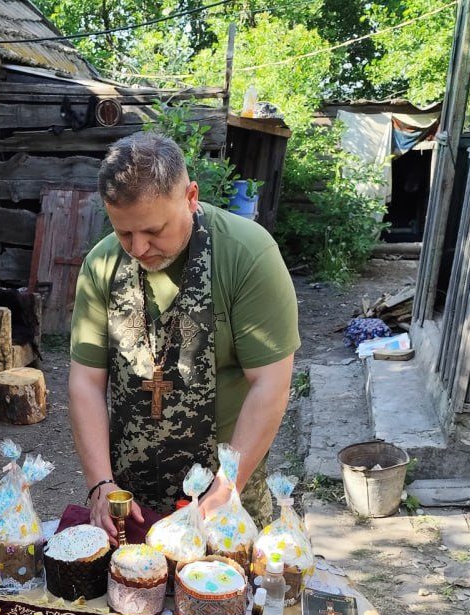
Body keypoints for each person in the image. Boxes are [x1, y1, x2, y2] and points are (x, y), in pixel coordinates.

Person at [68, 132, 299, 536]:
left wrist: (225, 490)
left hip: (226, 499)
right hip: (130, 505)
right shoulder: (102, 265)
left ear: (191, 197)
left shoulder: (246, 256)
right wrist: (101, 484)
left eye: (153, 231)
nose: (139, 248)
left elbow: (270, 384)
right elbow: (86, 382)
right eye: (124, 233)